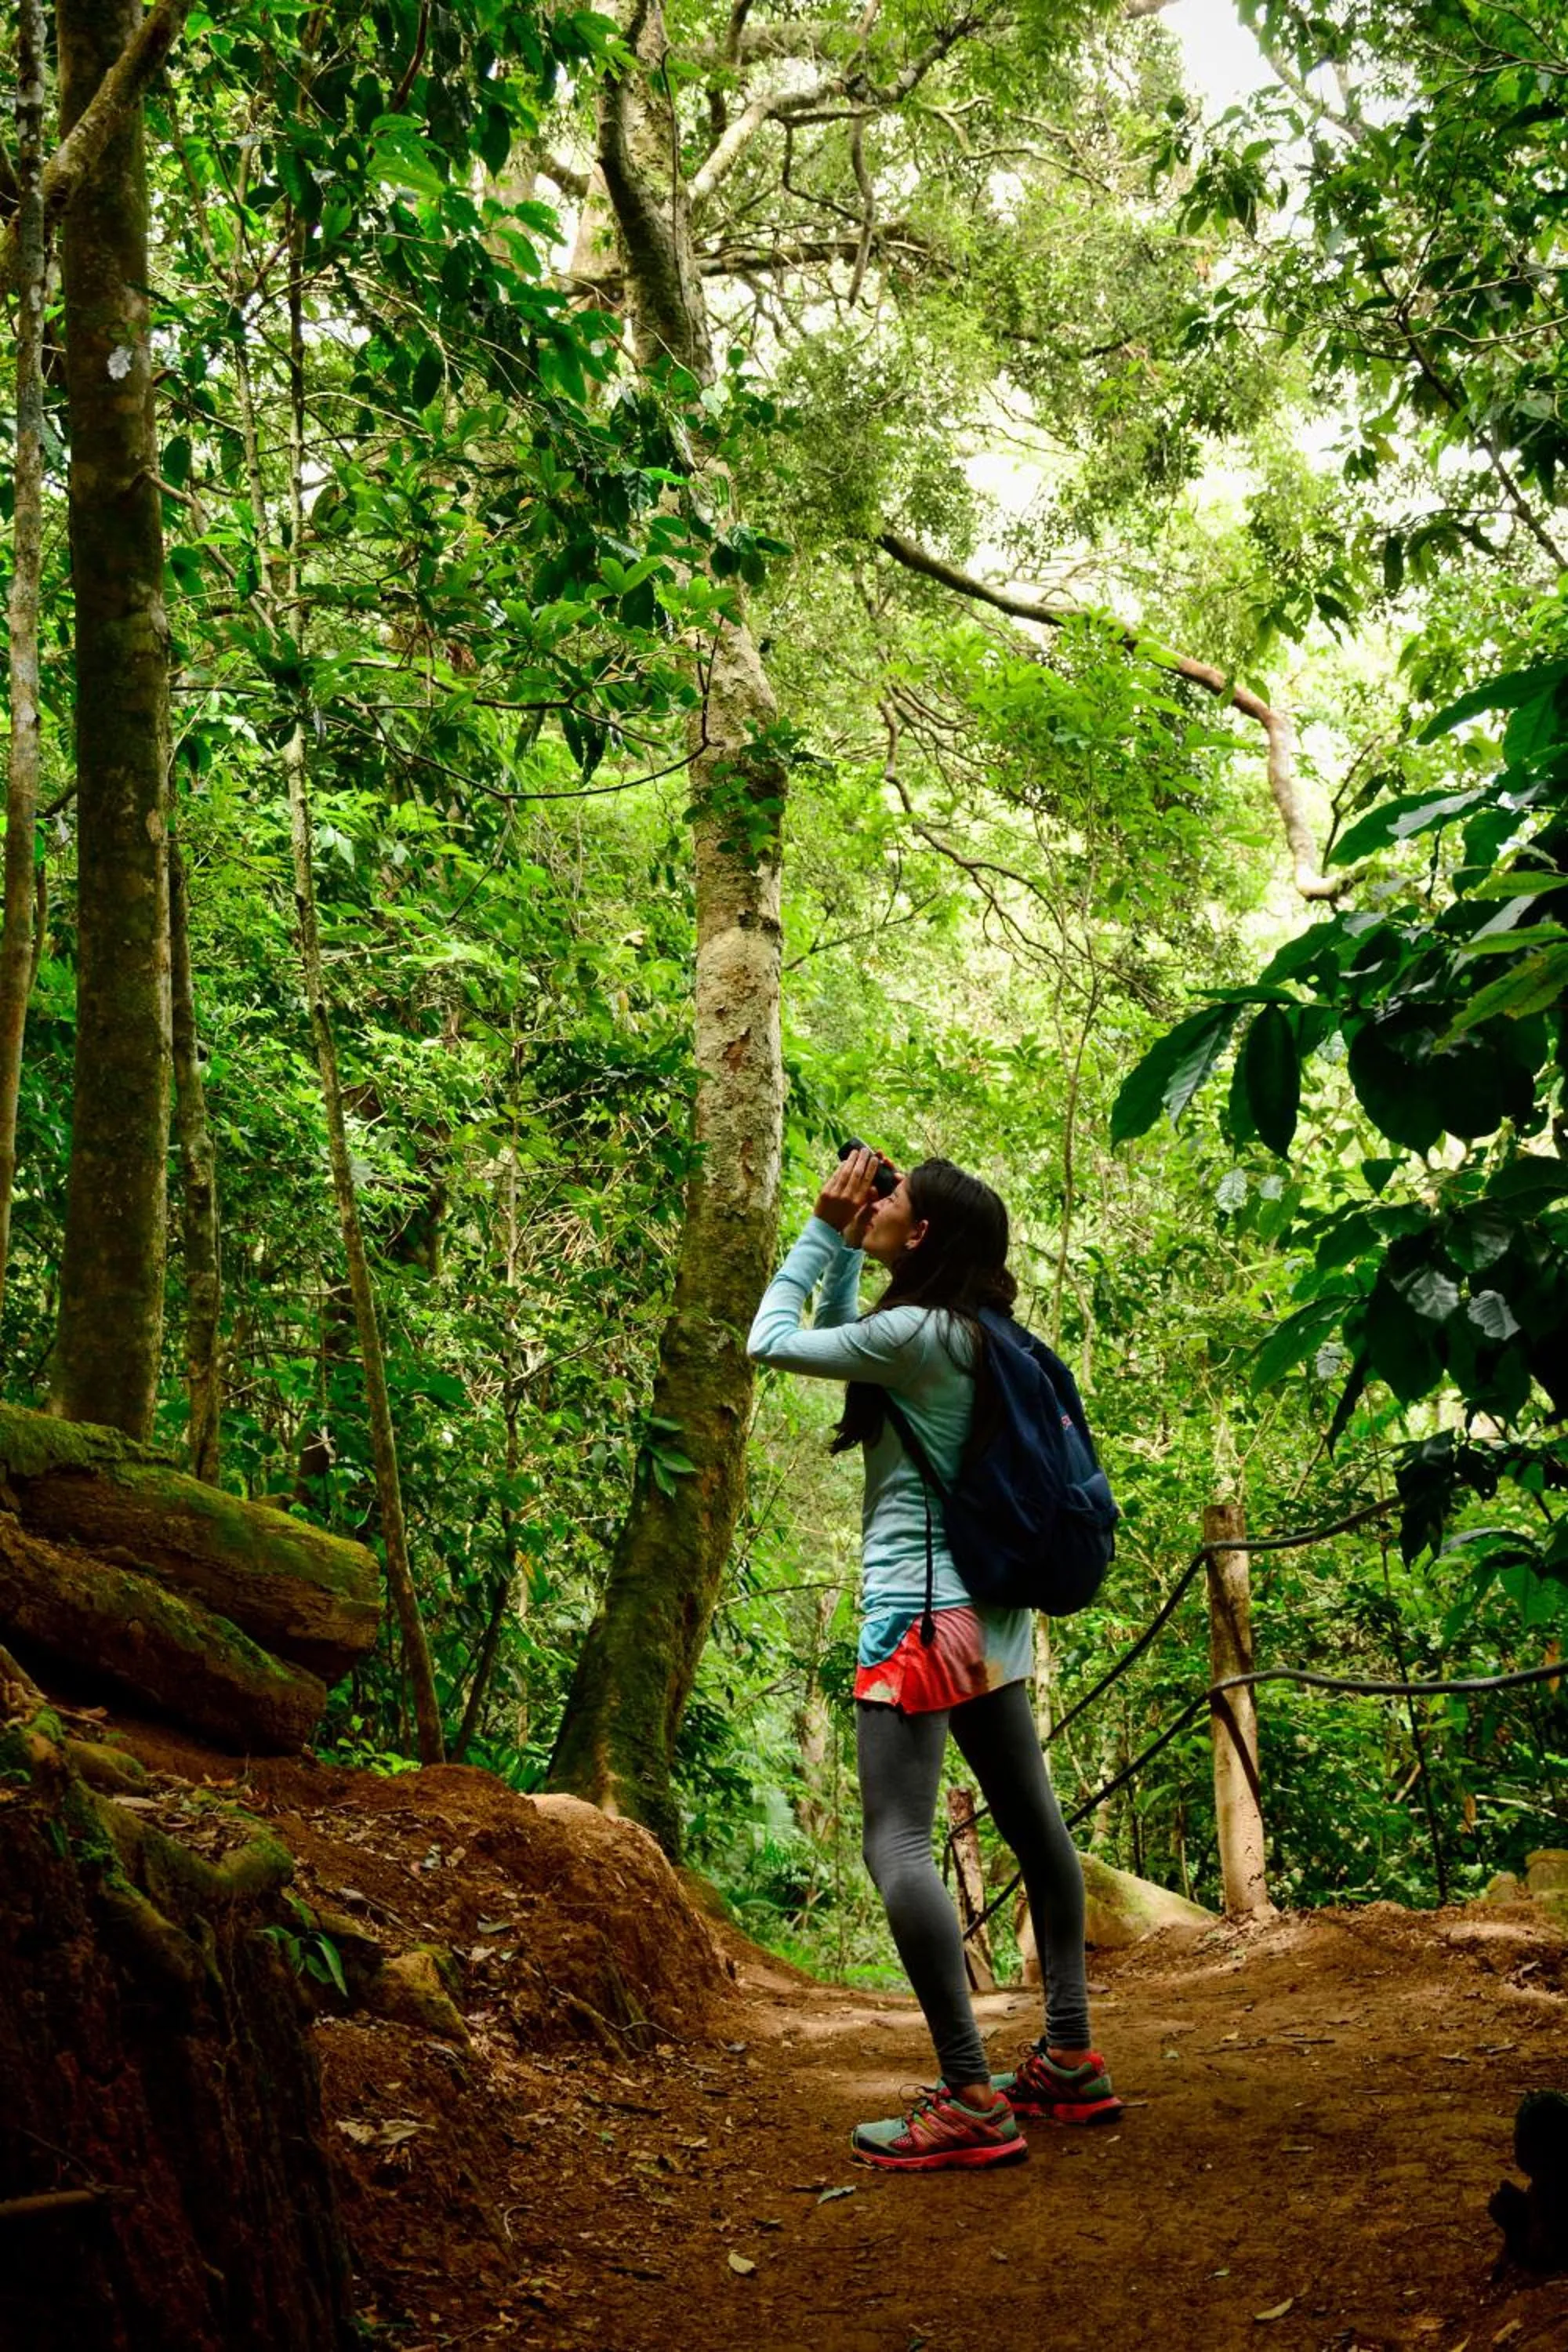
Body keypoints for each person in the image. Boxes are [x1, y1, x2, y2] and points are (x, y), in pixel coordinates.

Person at [747, 1146, 1123, 2172]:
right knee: (1036, 1830)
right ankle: (1069, 2057)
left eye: (892, 1199)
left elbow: (774, 1340)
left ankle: (969, 2095)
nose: (874, 1202)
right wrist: (848, 1241)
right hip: (993, 1620)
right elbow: (841, 1337)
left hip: (922, 1619)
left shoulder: (916, 1334)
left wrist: (823, 1230)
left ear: (919, 1238)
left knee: (896, 1845)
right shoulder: (984, 1333)